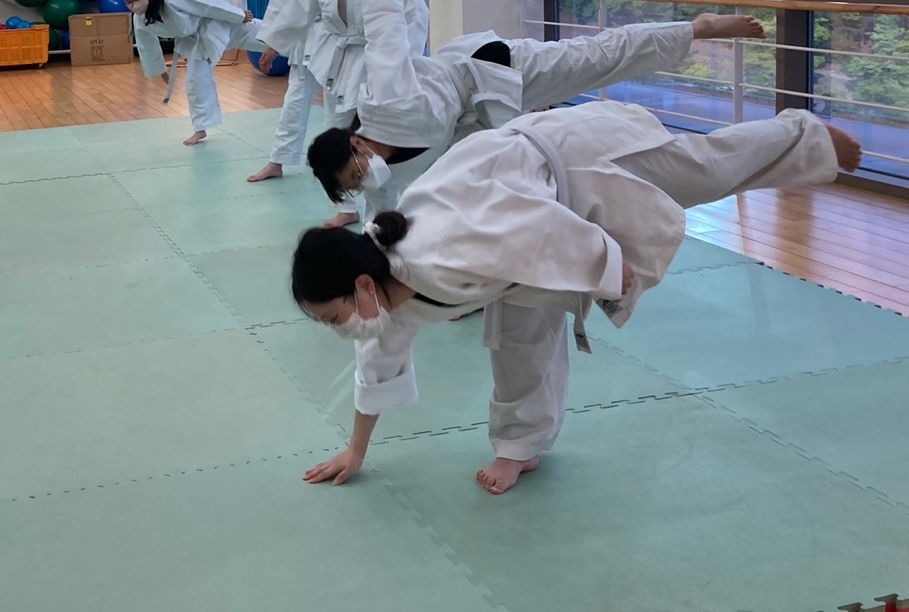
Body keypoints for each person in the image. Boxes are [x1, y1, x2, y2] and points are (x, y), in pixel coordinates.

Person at [292, 100, 861, 495]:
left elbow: (534, 226)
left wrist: (609, 266)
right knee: (516, 339)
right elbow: (376, 365)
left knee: (704, 170)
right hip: (525, 205)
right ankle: (520, 447)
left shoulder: (441, 254)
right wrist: (357, 451)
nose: (339, 329)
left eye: (333, 316)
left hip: (575, 156)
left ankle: (802, 134)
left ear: (361, 287)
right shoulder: (386, 291)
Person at [307, 0, 768, 224]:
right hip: (480, 128)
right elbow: (383, 214)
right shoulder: (382, 178)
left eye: (356, 172)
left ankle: (695, 28)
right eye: (354, 185)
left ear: (356, 145)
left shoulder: (384, 102)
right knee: (489, 195)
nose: (365, 179)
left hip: (494, 69)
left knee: (596, 57)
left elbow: (386, 38)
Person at [255, 0, 428, 226]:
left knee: (374, 142)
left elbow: (414, 18)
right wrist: (275, 42)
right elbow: (304, 3)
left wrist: (405, 66)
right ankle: (345, 208)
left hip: (378, 62)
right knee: (336, 137)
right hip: (340, 57)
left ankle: (382, 217)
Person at [247, 0, 335, 183]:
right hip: (302, 38)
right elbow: (282, 1)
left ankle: (340, 163)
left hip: (335, 40)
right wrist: (273, 44)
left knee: (338, 107)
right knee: (294, 102)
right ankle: (278, 161)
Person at [122, 0, 262, 146]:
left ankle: (292, 44)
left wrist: (238, 14)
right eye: (128, 2)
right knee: (195, 81)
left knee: (269, 38)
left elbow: (206, 4)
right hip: (198, 42)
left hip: (218, 24)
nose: (134, 4)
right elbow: (147, 46)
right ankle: (200, 128)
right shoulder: (141, 19)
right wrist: (161, 71)